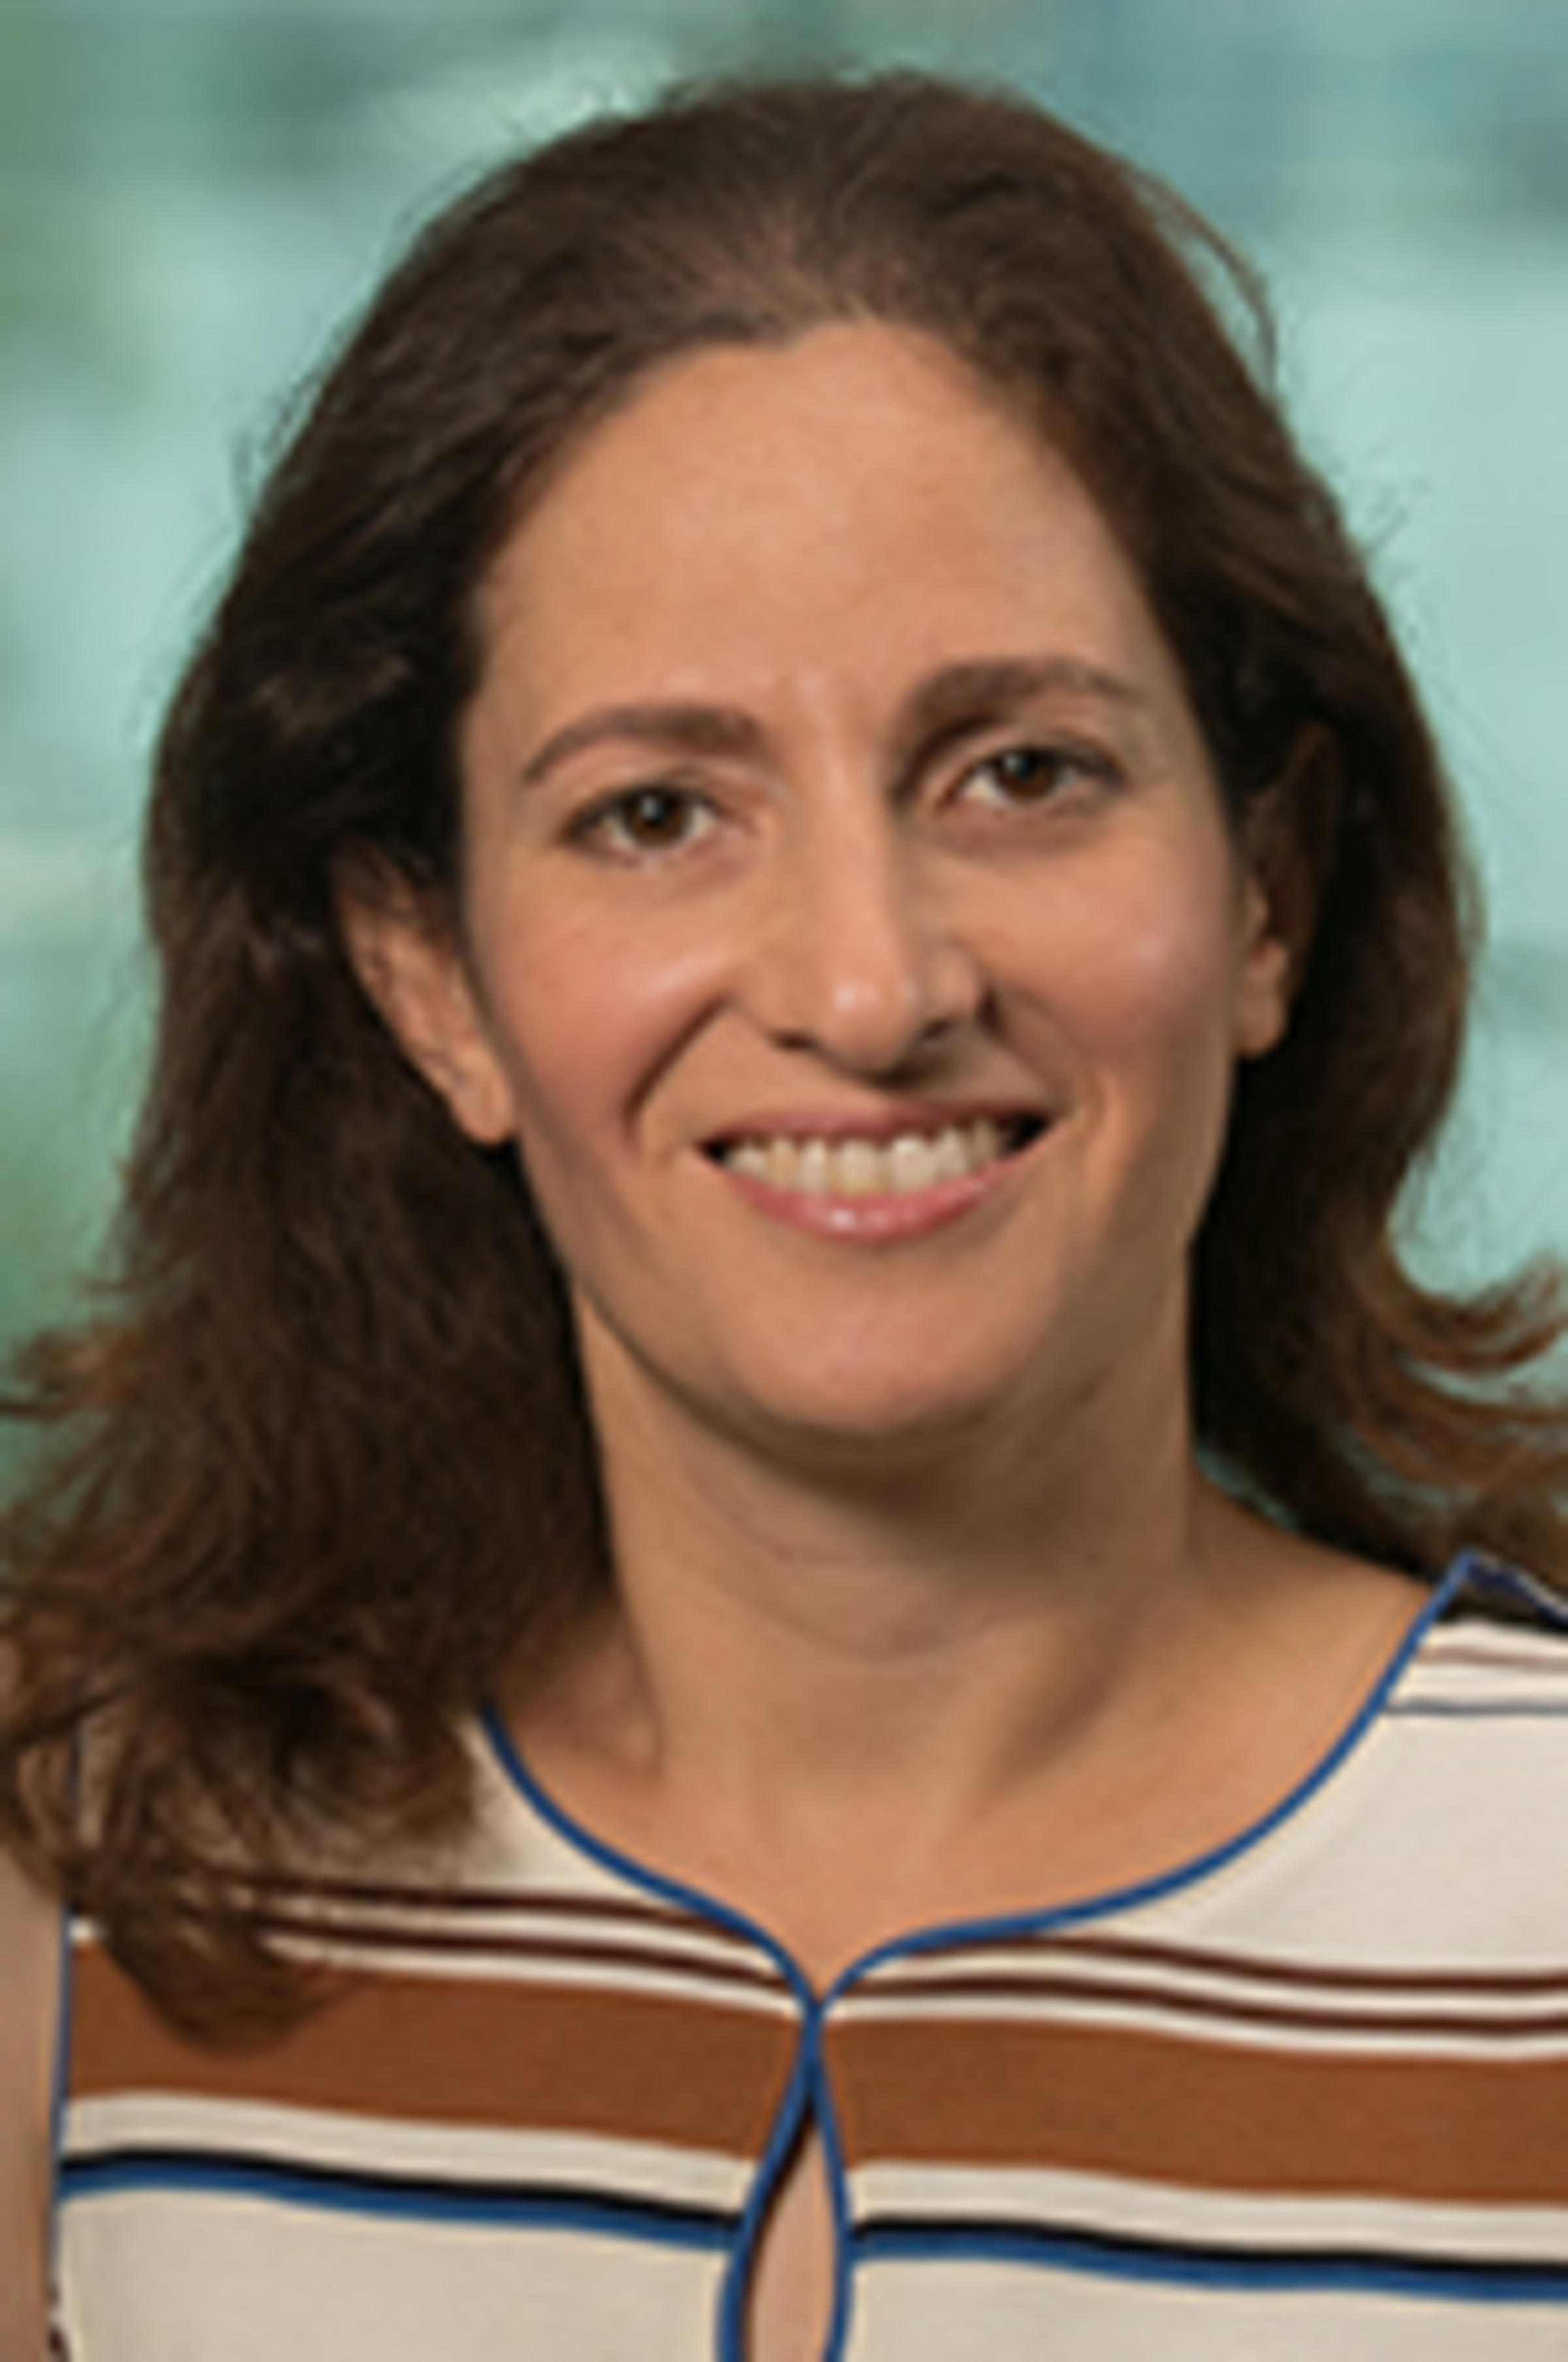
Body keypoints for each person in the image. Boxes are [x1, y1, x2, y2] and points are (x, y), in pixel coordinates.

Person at [3, 69, 1568, 2362]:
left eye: (1020, 772)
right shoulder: (79, 1879)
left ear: (1269, 888)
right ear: (426, 973)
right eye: (656, 812)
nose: (873, 986)